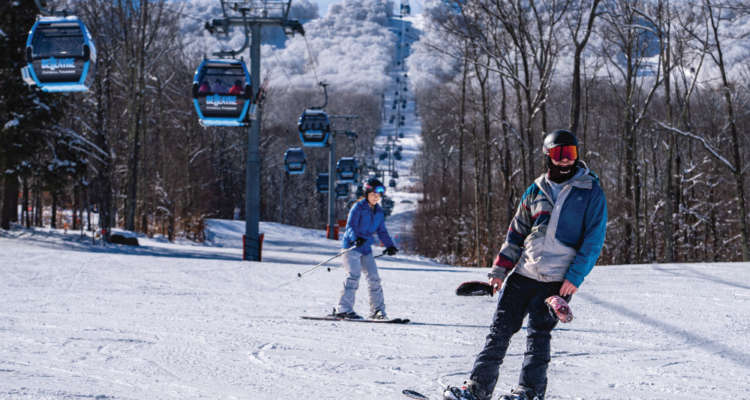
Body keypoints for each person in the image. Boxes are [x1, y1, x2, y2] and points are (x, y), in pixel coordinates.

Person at [444, 130, 607, 400]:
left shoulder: (590, 191)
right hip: (523, 274)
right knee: (499, 332)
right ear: (548, 156)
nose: (566, 160)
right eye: (559, 154)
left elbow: (594, 239)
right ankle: (477, 388)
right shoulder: (536, 190)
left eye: (571, 154)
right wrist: (499, 272)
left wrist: (575, 278)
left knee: (538, 337)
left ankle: (528, 392)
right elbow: (516, 234)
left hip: (557, 278)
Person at [335, 178, 399, 320]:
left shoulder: (379, 211)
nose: (376, 197)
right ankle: (343, 308)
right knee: (353, 275)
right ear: (366, 193)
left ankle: (377, 311)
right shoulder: (358, 207)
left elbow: (382, 231)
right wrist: (356, 238)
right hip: (352, 246)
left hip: (366, 248)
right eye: (373, 194)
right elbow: (350, 226)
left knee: (374, 278)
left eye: (379, 195)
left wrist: (390, 246)